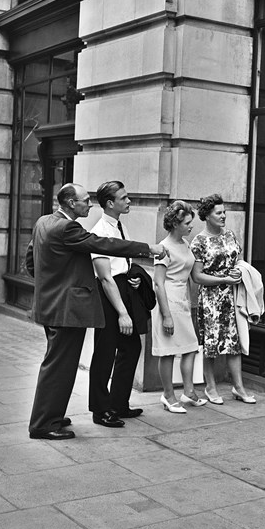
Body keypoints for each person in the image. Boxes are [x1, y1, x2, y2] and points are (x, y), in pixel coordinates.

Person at [25, 183, 167, 440]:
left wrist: (53, 284)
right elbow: (104, 245)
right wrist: (148, 248)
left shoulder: (44, 222)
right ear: (70, 204)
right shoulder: (68, 228)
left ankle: (52, 414)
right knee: (59, 368)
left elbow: (30, 263)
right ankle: (43, 424)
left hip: (52, 305)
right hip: (67, 309)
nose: (89, 204)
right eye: (85, 200)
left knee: (58, 365)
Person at [89, 181, 155, 428]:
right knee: (104, 354)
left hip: (124, 290)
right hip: (109, 298)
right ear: (110, 203)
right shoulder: (100, 231)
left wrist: (134, 277)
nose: (129, 202)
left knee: (131, 348)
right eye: (124, 198)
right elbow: (106, 278)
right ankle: (100, 410)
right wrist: (122, 313)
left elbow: (122, 265)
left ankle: (118, 404)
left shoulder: (120, 226)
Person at [190, 194, 256, 404]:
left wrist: (238, 272)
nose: (223, 216)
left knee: (234, 343)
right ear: (207, 216)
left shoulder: (230, 236)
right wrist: (224, 278)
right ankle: (210, 387)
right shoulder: (199, 241)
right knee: (211, 344)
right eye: (218, 213)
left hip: (232, 296)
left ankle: (239, 387)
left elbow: (239, 260)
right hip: (211, 299)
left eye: (224, 212)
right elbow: (197, 276)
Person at [152, 200, 207, 414]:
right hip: (169, 301)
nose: (190, 226)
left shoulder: (185, 244)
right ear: (175, 224)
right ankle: (168, 395)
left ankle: (188, 392)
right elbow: (158, 283)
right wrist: (166, 315)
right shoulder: (163, 248)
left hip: (182, 301)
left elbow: (193, 274)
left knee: (191, 347)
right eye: (186, 223)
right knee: (167, 352)